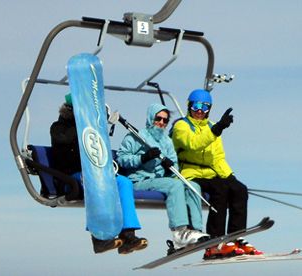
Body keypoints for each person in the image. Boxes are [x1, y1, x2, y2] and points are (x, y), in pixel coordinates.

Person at [50, 94, 148, 255]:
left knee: (124, 183)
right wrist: (85, 123)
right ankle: (99, 238)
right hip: (71, 176)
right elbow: (65, 140)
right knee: (95, 183)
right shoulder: (59, 128)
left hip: (96, 173)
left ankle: (128, 234)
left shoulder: (91, 130)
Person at [170, 89, 261, 259]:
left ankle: (235, 237)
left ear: (209, 109)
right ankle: (214, 242)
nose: (199, 111)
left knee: (239, 189)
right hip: (190, 172)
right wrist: (217, 129)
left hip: (211, 172)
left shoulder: (212, 127)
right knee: (220, 191)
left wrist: (230, 177)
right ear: (189, 106)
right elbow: (193, 144)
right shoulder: (181, 126)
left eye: (205, 107)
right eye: (196, 106)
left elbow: (217, 157)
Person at [115, 103, 209, 249]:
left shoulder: (167, 142)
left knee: (193, 185)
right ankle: (180, 231)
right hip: (139, 180)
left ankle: (195, 229)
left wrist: (169, 168)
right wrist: (143, 158)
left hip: (158, 180)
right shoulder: (136, 137)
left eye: (165, 121)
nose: (161, 123)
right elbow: (122, 159)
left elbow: (175, 167)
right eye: (158, 118)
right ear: (151, 118)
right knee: (175, 185)